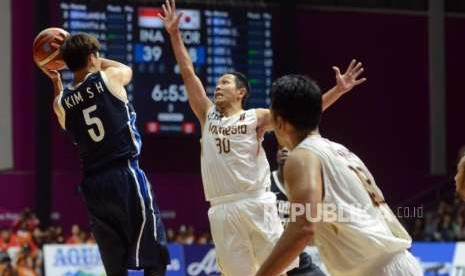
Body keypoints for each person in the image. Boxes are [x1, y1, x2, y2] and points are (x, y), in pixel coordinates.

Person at [161, 0, 366, 274]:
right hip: (221, 209)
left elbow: (299, 112)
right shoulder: (206, 114)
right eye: (217, 83)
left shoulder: (255, 117)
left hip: (256, 202)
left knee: (280, 270)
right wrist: (175, 35)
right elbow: (188, 73)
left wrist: (337, 91)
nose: (217, 88)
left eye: (224, 83)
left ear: (241, 92)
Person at [256, 75, 422, 276]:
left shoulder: (301, 157)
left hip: (375, 270)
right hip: (396, 263)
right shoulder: (338, 150)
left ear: (279, 122)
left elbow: (302, 228)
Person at [39, 33, 169, 276]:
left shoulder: (62, 103)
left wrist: (59, 77)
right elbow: (125, 69)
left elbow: (61, 107)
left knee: (115, 266)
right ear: (92, 57)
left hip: (94, 186)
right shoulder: (110, 78)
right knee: (155, 256)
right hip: (125, 175)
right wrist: (84, 57)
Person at [270, 148, 326, 276]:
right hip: (267, 247)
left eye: (290, 149)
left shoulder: (308, 188)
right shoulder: (265, 183)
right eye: (281, 147)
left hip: (293, 251)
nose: (284, 150)